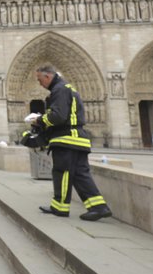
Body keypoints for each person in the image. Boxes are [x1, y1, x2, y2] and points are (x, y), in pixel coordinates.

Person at [30, 65, 112, 222]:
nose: (39, 83)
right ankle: (98, 207)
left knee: (63, 172)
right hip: (77, 139)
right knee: (80, 174)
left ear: (48, 77)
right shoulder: (66, 88)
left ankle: (60, 207)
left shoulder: (59, 90)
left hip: (67, 139)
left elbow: (58, 116)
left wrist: (39, 120)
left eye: (40, 79)